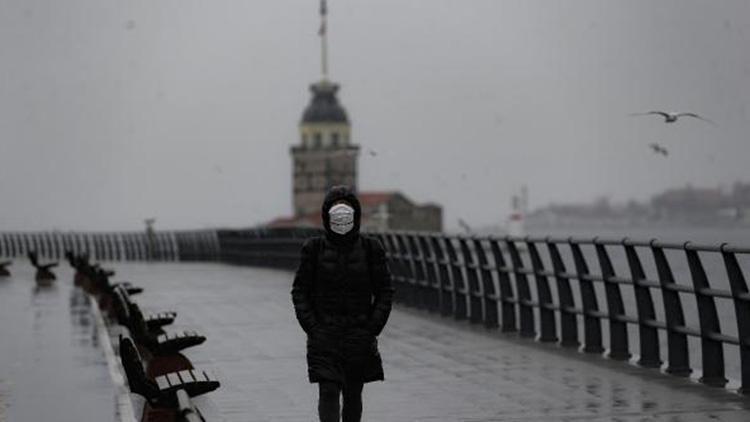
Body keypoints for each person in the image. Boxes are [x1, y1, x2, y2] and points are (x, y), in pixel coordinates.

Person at [291, 185, 394, 422]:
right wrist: (314, 328)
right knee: (328, 391)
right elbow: (300, 291)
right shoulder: (314, 249)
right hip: (324, 334)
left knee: (352, 394)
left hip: (358, 333)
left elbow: (385, 291)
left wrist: (371, 328)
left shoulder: (371, 249)